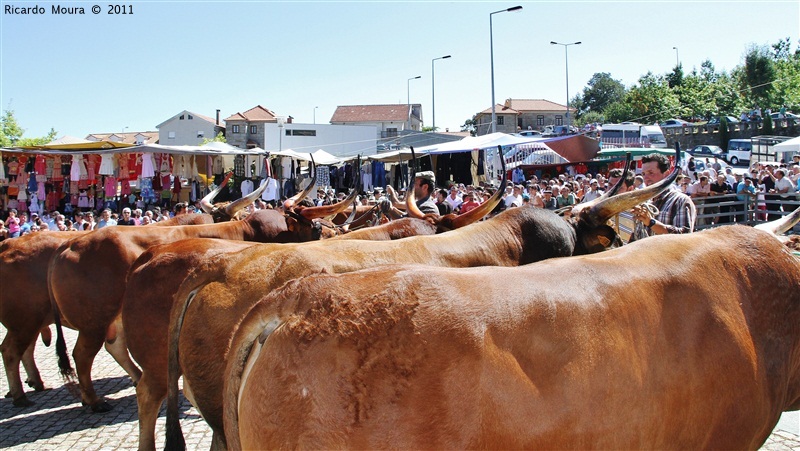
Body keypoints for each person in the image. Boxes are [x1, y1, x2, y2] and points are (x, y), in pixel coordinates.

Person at [632, 153, 696, 238]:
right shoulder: (644, 201)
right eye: (643, 174)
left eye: (651, 173)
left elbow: (684, 237)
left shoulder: (680, 200)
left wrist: (651, 222)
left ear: (666, 174)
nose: (646, 178)